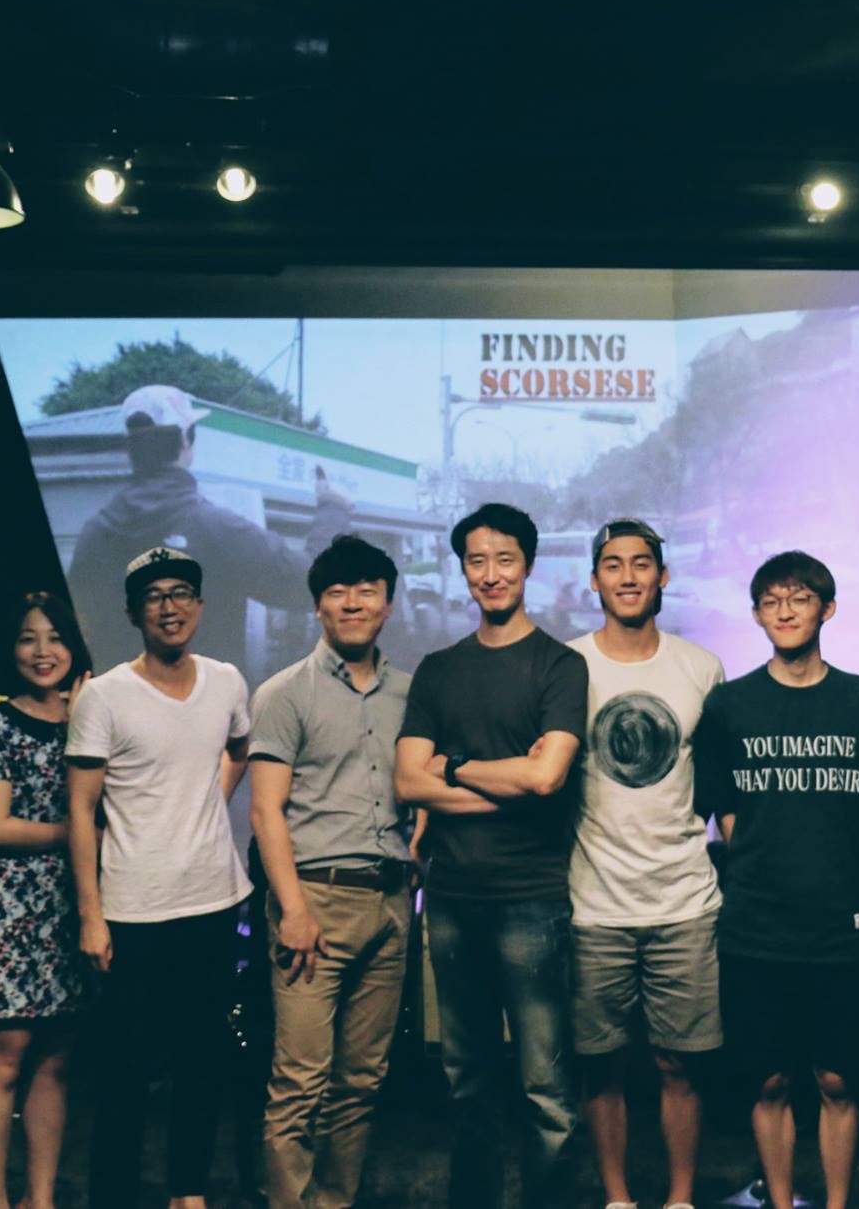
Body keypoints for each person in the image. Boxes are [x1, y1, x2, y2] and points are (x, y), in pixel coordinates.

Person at [394, 502, 589, 1209]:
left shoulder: (560, 665)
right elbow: (406, 780)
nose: (490, 573)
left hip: (532, 898)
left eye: (504, 559)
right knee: (466, 1080)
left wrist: (453, 767)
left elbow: (547, 779)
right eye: (476, 560)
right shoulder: (439, 669)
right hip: (452, 897)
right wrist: (508, 783)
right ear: (463, 570)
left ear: (527, 566)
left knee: (545, 1087)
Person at [693, 551, 859, 1209]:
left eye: (800, 597)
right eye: (771, 600)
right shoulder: (729, 704)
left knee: (838, 1080)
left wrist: (822, 858)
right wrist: (770, 856)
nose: (785, 610)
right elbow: (725, 813)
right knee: (769, 1080)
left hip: (839, 923)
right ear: (756, 614)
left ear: (826, 609)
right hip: (755, 924)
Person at [66, 547, 254, 1209]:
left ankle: (188, 1191)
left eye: (180, 593)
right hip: (132, 911)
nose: (169, 607)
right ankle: (114, 1196)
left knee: (202, 1058)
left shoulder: (226, 680)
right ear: (132, 613)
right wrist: (90, 915)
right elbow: (80, 810)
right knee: (125, 1070)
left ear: (199, 605)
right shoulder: (105, 695)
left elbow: (238, 748)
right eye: (154, 596)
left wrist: (210, 798)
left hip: (212, 901)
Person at [249, 535, 421, 1209]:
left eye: (367, 590)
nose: (353, 603)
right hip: (315, 901)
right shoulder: (284, 692)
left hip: (391, 901)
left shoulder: (410, 693)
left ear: (387, 603)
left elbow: (422, 786)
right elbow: (265, 810)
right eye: (337, 592)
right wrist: (292, 909)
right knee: (300, 1080)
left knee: (361, 1081)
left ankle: (334, 1202)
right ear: (318, 606)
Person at [567, 519, 726, 1209]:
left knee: (679, 1065)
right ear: (594, 579)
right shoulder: (566, 665)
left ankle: (681, 1198)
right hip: (592, 901)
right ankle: (617, 1197)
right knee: (599, 1067)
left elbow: (717, 784)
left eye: (640, 564)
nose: (627, 576)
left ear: (663, 577)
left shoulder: (701, 667)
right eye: (613, 564)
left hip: (684, 901)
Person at [65, 384, 351, 679]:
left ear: (132, 450)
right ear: (185, 441)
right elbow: (310, 585)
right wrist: (333, 508)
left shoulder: (95, 534)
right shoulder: (216, 530)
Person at [0, 592, 92, 1209]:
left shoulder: (92, 717)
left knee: (55, 1060)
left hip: (77, 902)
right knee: (5, 1056)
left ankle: (40, 1200)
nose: (43, 651)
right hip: (13, 905)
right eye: (27, 638)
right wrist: (80, 834)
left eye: (55, 637)